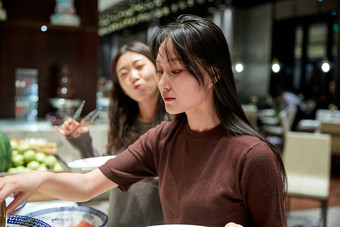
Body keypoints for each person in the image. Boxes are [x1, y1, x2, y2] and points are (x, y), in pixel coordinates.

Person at [0, 15, 287, 227]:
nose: (163, 82)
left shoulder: (253, 155)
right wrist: (37, 178)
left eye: (175, 70)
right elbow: (87, 185)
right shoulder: (163, 138)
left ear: (213, 74)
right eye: (160, 70)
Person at [55, 41, 169, 226]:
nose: (133, 76)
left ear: (158, 68)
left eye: (139, 66)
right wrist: (82, 141)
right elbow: (106, 174)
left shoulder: (177, 125)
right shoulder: (122, 124)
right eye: (123, 74)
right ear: (121, 86)